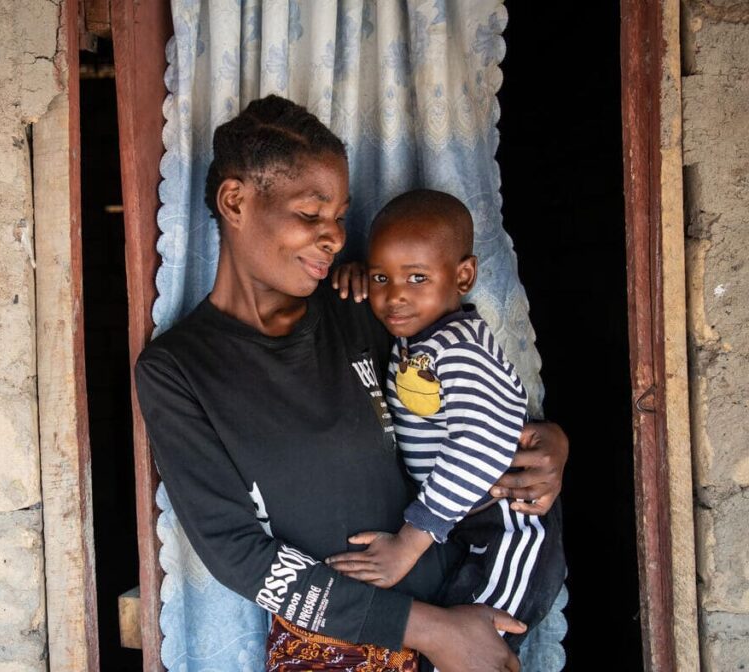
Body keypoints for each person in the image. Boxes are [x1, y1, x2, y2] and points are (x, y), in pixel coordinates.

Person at [135, 95, 567, 672]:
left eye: (340, 217)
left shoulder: (363, 305)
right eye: (311, 215)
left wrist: (549, 441)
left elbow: (466, 399)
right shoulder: (180, 370)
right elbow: (239, 555)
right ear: (235, 200)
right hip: (338, 645)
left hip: (469, 602)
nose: (334, 236)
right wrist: (431, 631)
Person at [325, 191, 565, 661]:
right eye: (381, 277)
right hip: (468, 527)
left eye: (417, 277)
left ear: (463, 276)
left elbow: (480, 445)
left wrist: (410, 543)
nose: (395, 295)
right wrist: (355, 278)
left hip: (509, 529)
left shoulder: (455, 348)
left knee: (480, 652)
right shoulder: (420, 338)